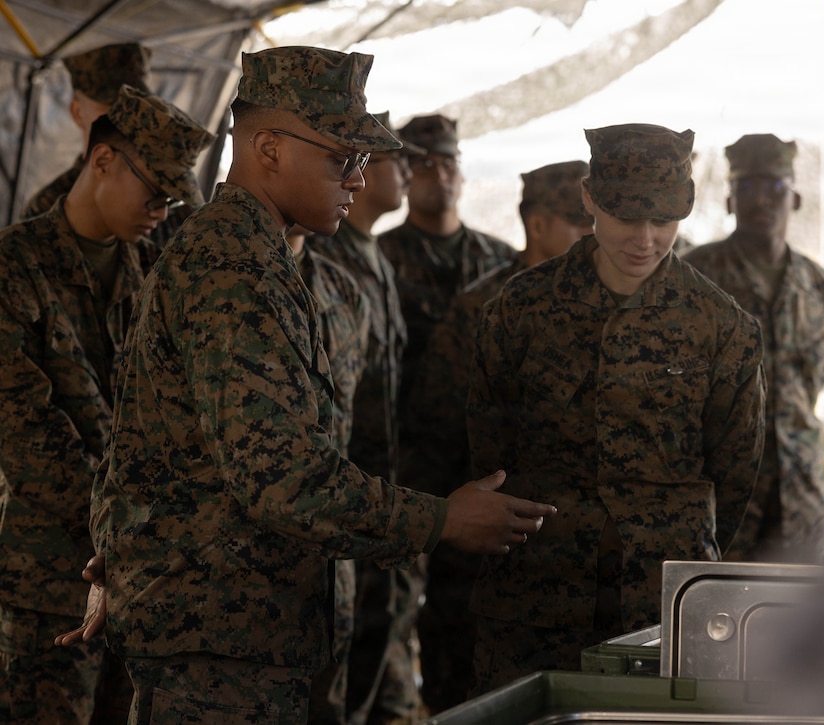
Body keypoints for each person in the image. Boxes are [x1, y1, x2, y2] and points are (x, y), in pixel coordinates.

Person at [87, 46, 555, 723]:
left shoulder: (267, 261)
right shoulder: (230, 266)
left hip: (244, 633)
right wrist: (443, 519)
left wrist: (120, 538)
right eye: (344, 159)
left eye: (365, 161)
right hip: (217, 648)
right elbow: (281, 476)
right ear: (269, 148)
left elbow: (148, 444)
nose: (360, 181)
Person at [467, 123, 766, 692]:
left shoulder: (720, 326)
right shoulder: (520, 311)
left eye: (665, 220)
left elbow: (736, 477)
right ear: (590, 199)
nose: (646, 239)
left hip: (661, 613)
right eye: (627, 217)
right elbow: (488, 455)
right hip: (536, 603)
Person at [0, 85, 213, 724]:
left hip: (140, 575)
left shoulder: (152, 270)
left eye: (174, 198)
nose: (162, 209)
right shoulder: (14, 265)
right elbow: (22, 428)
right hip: (51, 577)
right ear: (102, 162)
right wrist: (119, 531)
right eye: (155, 192)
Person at [403, 159, 594, 711]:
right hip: (482, 574)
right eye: (578, 226)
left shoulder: (604, 313)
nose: (592, 240)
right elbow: (432, 443)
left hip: (576, 580)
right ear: (537, 225)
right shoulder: (482, 312)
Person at [307, 111, 426, 725]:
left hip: (380, 508)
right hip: (338, 513)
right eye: (388, 160)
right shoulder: (324, 256)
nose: (404, 171)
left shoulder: (368, 257)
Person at [683, 133, 824, 563]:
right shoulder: (694, 276)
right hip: (724, 501)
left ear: (795, 198)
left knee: (806, 621)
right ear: (730, 200)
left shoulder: (819, 287)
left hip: (801, 498)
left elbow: (815, 379)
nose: (761, 202)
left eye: (774, 188)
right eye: (747, 188)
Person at [283, 224, 371, 725]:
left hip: (331, 556)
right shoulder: (213, 273)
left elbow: (364, 432)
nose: (353, 179)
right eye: (335, 160)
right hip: (236, 579)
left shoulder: (342, 288)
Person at [377, 113, 518, 405]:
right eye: (425, 165)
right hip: (411, 423)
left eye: (449, 164)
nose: (440, 176)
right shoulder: (380, 256)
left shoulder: (503, 257)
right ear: (406, 175)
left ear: (462, 175)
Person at [21, 43, 193, 248]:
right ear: (77, 112)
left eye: (137, 104)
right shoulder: (47, 208)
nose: (128, 116)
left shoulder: (173, 202)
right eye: (113, 106)